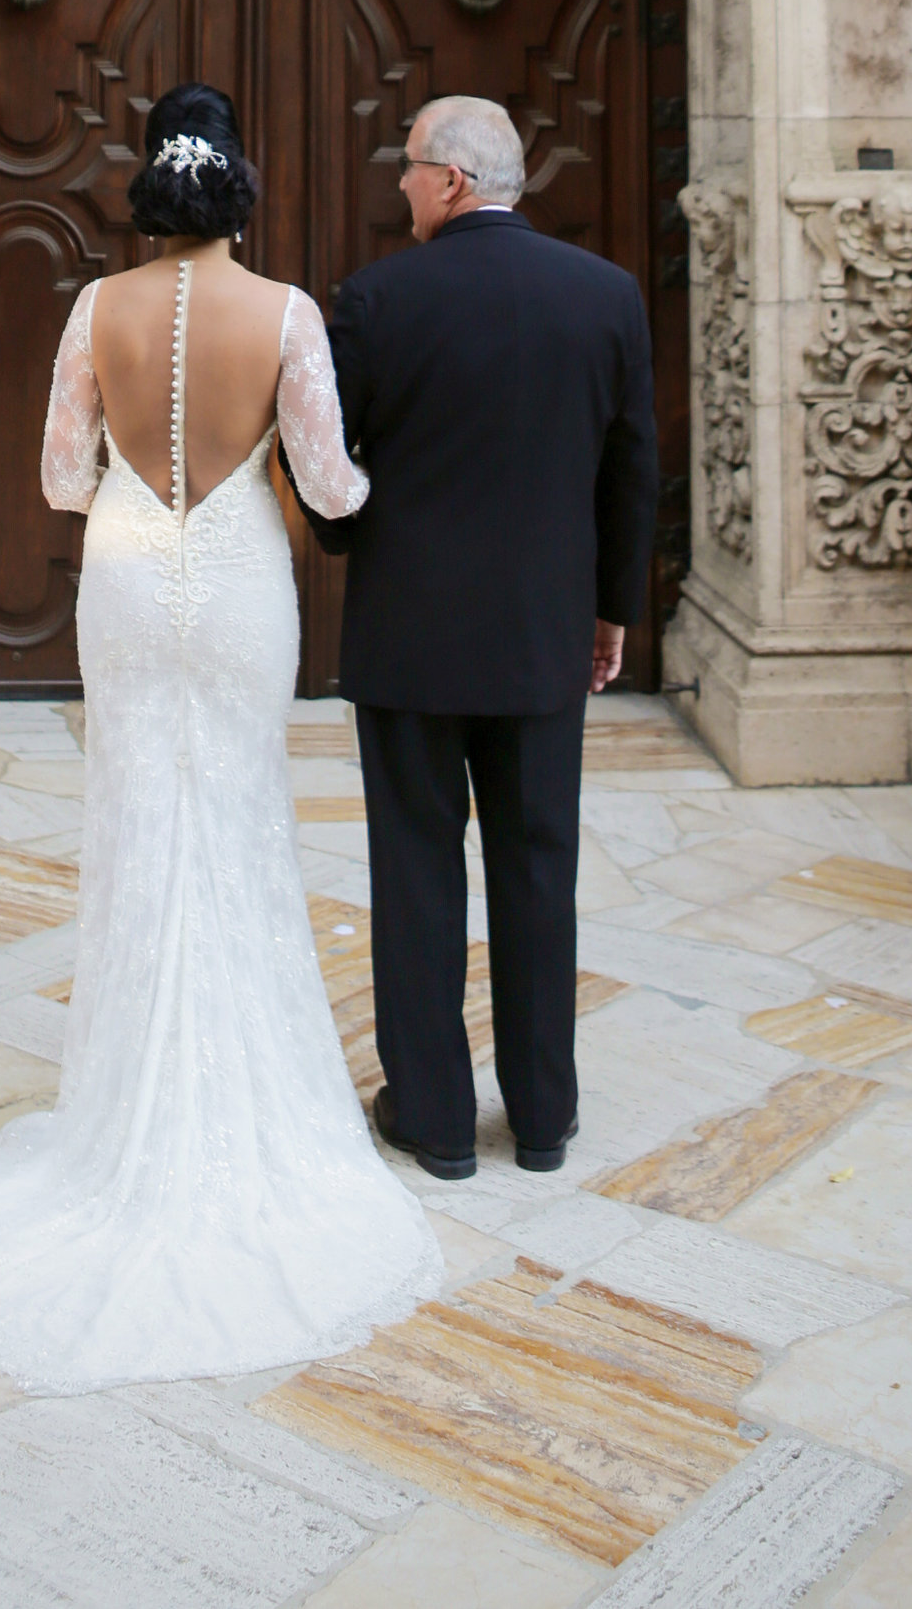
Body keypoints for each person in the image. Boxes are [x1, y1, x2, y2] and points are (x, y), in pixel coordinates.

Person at [0, 83, 442, 1390]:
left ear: (150, 186)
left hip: (135, 576)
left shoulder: (97, 309)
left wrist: (142, 482)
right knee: (243, 818)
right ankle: (248, 1106)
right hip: (244, 581)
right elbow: (331, 485)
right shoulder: (289, 314)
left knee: (137, 823)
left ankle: (121, 1123)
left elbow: (54, 479)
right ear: (240, 187)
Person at [309, 94, 657, 1184]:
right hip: (543, 636)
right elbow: (630, 469)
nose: (398, 185)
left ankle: (436, 1118)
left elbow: (325, 471)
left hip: (409, 641)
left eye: (408, 167)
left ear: (451, 181)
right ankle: (543, 1116)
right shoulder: (605, 297)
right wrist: (608, 612)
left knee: (417, 870)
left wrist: (351, 532)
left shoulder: (373, 300)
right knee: (537, 866)